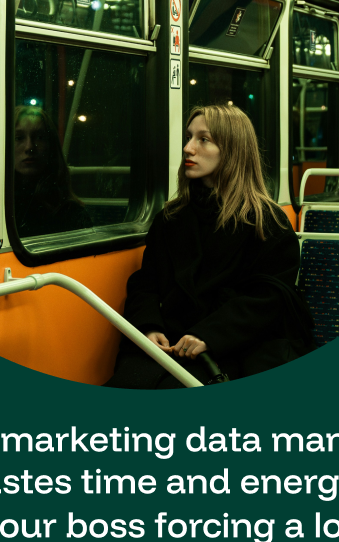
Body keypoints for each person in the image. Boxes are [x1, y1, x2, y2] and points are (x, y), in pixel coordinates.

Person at [105, 104, 314, 388]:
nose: (189, 148)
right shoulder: (171, 218)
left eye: (203, 139)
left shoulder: (266, 221)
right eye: (189, 138)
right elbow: (147, 282)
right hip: (172, 341)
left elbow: (269, 298)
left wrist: (208, 336)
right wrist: (149, 326)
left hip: (233, 345)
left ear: (232, 150)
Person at [14, 105, 92, 238]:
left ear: (51, 146)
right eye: (19, 138)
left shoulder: (71, 214)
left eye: (39, 137)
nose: (29, 147)